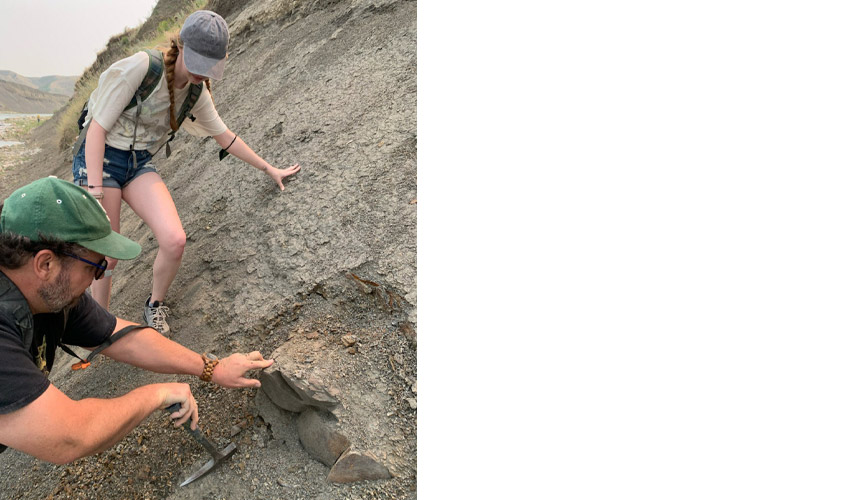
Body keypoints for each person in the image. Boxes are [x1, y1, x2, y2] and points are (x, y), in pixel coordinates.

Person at [0, 177, 273, 464]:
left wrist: (213, 368)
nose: (101, 276)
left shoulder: (53, 294)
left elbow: (123, 337)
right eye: (96, 267)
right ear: (45, 264)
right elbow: (68, 436)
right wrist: (157, 395)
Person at [72, 10, 301, 334]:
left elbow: (226, 137)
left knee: (175, 240)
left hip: (137, 162)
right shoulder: (141, 67)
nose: (201, 71)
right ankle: (97, 329)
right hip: (101, 157)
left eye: (209, 64)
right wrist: (94, 194)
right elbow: (97, 130)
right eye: (197, 61)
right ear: (181, 46)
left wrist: (268, 168)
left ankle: (154, 305)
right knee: (107, 254)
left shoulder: (196, 92)